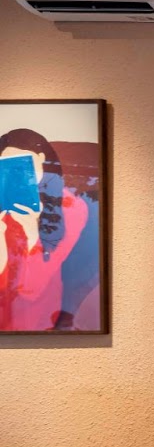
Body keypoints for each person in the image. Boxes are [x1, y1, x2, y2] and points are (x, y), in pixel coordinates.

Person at [0, 128, 92, 331]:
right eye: (7, 167)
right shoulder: (4, 198)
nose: (18, 174)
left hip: (33, 315)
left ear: (41, 159)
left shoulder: (69, 206)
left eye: (23, 164)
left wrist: (32, 234)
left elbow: (32, 288)